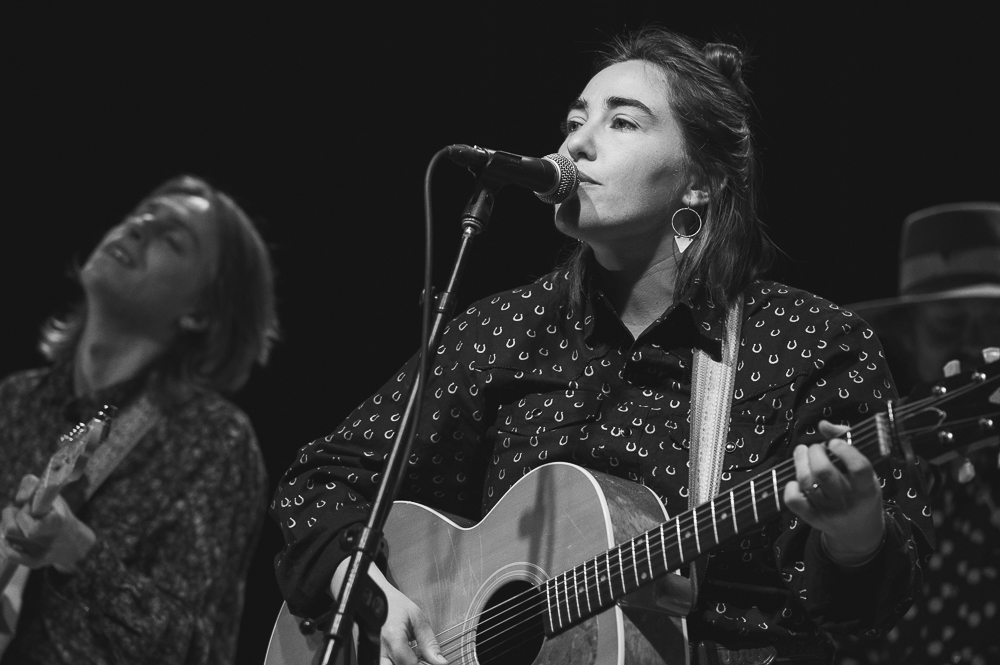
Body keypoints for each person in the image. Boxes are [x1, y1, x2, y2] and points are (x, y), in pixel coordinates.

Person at [272, 27, 931, 665]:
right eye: (574, 121)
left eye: (622, 122)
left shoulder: (811, 344)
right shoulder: (504, 330)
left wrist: (855, 534)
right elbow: (321, 480)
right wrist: (374, 597)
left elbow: (872, 611)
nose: (577, 145)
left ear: (699, 181)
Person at [0, 175, 280, 665]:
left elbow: (197, 651)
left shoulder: (213, 441)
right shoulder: (14, 402)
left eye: (171, 238)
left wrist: (80, 557)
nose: (137, 229)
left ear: (200, 312)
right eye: (140, 216)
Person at [836, 202, 1000, 665]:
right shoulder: (876, 454)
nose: (974, 346)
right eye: (948, 327)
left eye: (993, 324)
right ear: (909, 337)